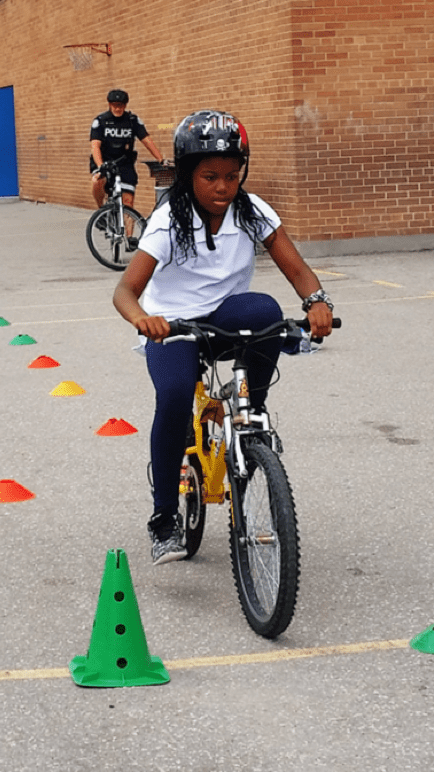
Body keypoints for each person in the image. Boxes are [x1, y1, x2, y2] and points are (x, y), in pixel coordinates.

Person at [113, 109, 334, 565]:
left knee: (266, 312)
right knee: (175, 397)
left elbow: (296, 268)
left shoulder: (251, 212)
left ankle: (253, 412)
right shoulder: (168, 220)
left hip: (224, 319)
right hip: (173, 325)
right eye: (210, 177)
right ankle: (164, 518)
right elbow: (125, 291)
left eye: (232, 176)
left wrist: (316, 301)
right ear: (187, 175)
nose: (222, 187)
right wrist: (143, 319)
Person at [90, 89, 166, 210]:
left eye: (121, 105)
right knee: (97, 181)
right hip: (105, 161)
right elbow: (95, 146)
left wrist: (161, 159)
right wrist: (100, 166)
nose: (117, 109)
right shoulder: (101, 121)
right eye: (115, 105)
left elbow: (146, 140)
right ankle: (101, 209)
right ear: (109, 104)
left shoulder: (132, 121)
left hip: (124, 163)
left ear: (125, 105)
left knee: (128, 203)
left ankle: (126, 222)